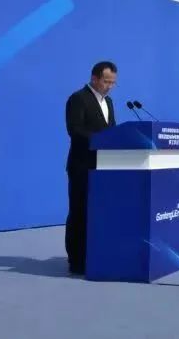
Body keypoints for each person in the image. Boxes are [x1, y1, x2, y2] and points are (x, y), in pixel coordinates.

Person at [65, 61, 118, 275]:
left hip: (104, 166)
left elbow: (112, 130)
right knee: (79, 212)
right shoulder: (78, 98)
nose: (110, 86)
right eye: (106, 81)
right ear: (94, 78)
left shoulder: (109, 102)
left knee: (98, 213)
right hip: (82, 165)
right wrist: (102, 140)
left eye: (113, 83)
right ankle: (76, 261)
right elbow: (75, 130)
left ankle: (95, 255)